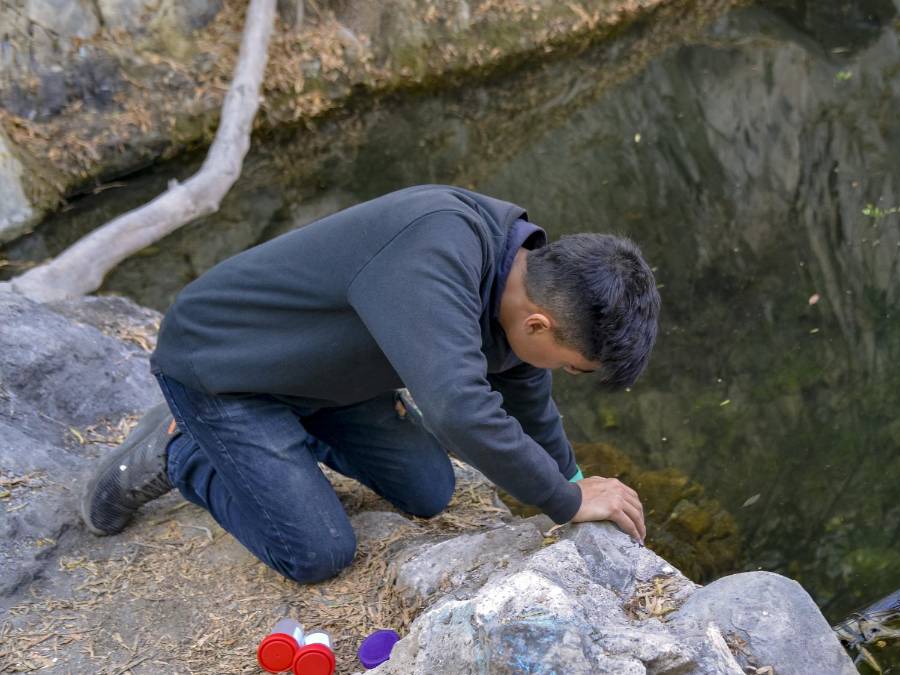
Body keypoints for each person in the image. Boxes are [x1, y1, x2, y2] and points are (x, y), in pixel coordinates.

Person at [79, 184, 660, 583]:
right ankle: (182, 448)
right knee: (318, 553)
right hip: (224, 369)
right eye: (570, 364)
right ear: (539, 323)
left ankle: (279, 441)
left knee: (430, 492)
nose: (558, 374)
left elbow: (525, 391)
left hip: (326, 379)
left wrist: (573, 480)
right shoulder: (437, 248)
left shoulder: (525, 279)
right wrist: (563, 502)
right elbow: (459, 408)